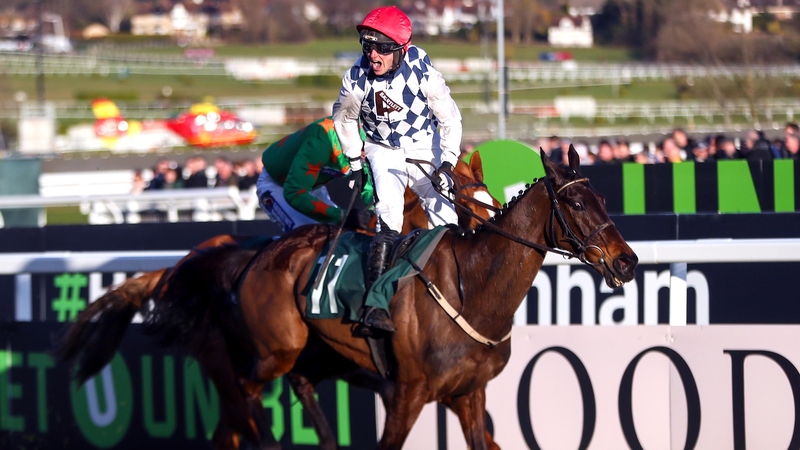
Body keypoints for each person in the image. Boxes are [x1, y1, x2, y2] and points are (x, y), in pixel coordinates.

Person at [333, 5, 461, 333]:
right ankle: (374, 308)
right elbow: (344, 119)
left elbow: (450, 119)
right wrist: (354, 159)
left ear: (401, 50)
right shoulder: (356, 79)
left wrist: (447, 162)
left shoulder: (425, 75)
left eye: (382, 49)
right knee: (388, 217)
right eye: (368, 47)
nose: (373, 55)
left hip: (424, 145)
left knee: (446, 218)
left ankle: (456, 291)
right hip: (382, 149)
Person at [255, 116, 373, 233]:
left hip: (312, 187)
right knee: (311, 238)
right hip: (280, 186)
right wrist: (341, 216)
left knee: (344, 235)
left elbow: (369, 189)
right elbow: (294, 192)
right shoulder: (323, 138)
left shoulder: (370, 144)